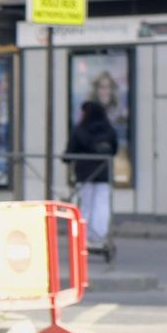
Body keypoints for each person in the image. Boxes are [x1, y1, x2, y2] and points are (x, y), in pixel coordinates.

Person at [65, 100, 118, 252]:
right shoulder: (108, 130)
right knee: (102, 206)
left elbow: (70, 152)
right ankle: (99, 237)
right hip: (103, 174)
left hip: (84, 174)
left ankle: (83, 237)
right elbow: (114, 149)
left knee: (85, 205)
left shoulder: (80, 130)